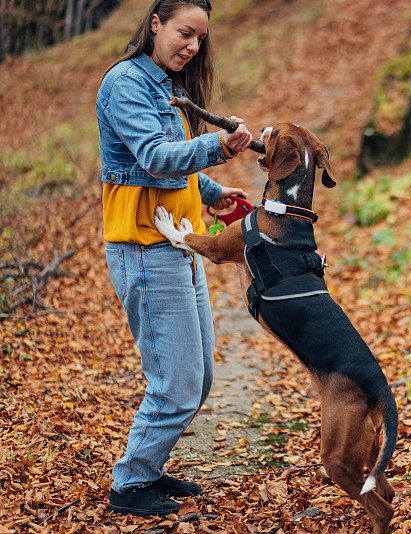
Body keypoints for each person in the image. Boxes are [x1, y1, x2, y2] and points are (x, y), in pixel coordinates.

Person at [96, 0, 253, 516]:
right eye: (185, 32)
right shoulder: (127, 84)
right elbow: (156, 158)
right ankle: (130, 485)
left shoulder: (167, 85)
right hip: (144, 247)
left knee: (197, 378)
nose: (193, 46)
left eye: (200, 38)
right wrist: (220, 147)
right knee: (177, 383)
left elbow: (175, 168)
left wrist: (210, 192)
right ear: (156, 23)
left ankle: (149, 470)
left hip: (180, 241)